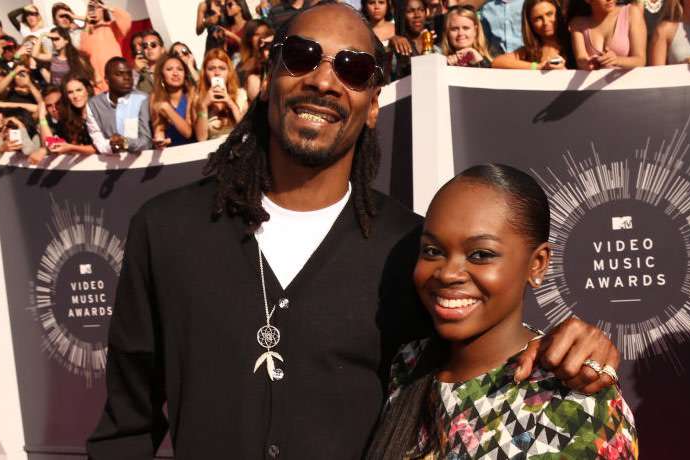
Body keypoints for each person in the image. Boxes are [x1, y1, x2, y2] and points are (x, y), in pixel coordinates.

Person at [86, 3, 620, 459]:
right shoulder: (166, 230)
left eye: (353, 68)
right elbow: (126, 426)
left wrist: (574, 346)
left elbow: (481, 357)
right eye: (301, 57)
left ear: (372, 105)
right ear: (268, 77)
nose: (323, 81)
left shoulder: (409, 252)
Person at [367, 164, 638, 459]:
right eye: (432, 251)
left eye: (481, 254)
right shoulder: (407, 364)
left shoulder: (574, 405)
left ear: (537, 264)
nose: (447, 273)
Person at [85, 57, 152, 154]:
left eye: (129, 73)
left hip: (142, 160)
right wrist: (113, 145)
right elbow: (98, 139)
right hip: (110, 160)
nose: (126, 77)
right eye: (119, 74)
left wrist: (125, 143)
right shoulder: (94, 104)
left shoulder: (142, 99)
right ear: (107, 80)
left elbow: (146, 141)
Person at [493, 0, 575, 69]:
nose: (545, 22)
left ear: (559, 13)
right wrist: (537, 66)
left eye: (549, 14)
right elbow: (497, 62)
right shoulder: (530, 51)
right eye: (538, 19)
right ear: (530, 23)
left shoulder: (574, 43)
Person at [32, 75, 96, 162]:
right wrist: (42, 117)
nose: (54, 109)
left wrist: (71, 148)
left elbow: (101, 147)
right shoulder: (65, 123)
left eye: (58, 103)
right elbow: (51, 145)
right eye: (49, 106)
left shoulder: (95, 113)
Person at [569, 0, 647, 70]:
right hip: (594, 81)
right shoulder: (577, 24)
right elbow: (581, 59)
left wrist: (617, 60)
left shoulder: (631, 13)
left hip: (628, 81)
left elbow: (640, 60)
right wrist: (588, 64)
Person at [192, 48, 247, 141]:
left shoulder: (240, 95)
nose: (217, 73)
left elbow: (245, 131)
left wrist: (231, 103)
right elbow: (201, 138)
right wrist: (203, 106)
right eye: (211, 69)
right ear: (205, 73)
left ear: (229, 72)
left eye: (222, 68)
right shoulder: (198, 98)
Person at [79, 1, 132, 93]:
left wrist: (108, 8)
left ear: (103, 9)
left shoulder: (112, 26)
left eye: (97, 7)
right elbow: (83, 54)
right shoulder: (87, 32)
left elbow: (126, 19)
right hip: (99, 80)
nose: (94, 10)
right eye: (91, 8)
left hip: (117, 75)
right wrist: (87, 24)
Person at [150, 55, 195, 148]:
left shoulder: (191, 93)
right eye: (169, 69)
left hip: (193, 149)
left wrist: (167, 109)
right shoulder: (155, 97)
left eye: (180, 69)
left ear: (185, 74)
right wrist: (160, 142)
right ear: (162, 76)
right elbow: (158, 129)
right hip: (170, 152)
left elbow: (188, 133)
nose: (175, 73)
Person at [390, 0, 431, 79]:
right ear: (402, 15)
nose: (417, 15)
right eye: (410, 11)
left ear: (426, 13)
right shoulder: (398, 45)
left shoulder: (434, 40)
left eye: (421, 10)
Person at [237, 22, 274, 101]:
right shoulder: (241, 64)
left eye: (265, 34)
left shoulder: (273, 62)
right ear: (249, 38)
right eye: (257, 34)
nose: (261, 38)